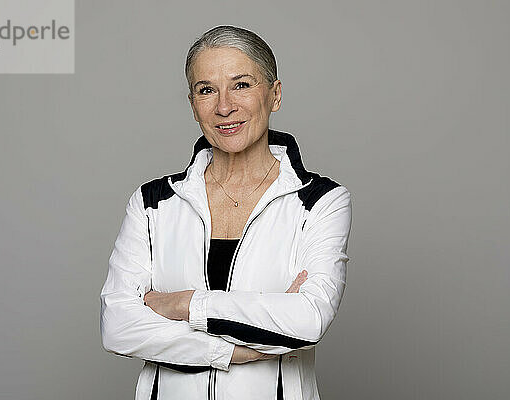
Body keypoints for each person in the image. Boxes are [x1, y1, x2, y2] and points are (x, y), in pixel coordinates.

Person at [100, 25, 352, 400]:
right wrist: (235, 351)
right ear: (192, 103)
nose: (224, 106)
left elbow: (308, 320)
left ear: (275, 94)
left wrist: (183, 304)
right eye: (206, 90)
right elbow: (118, 326)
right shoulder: (152, 203)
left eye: (242, 85)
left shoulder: (320, 201)